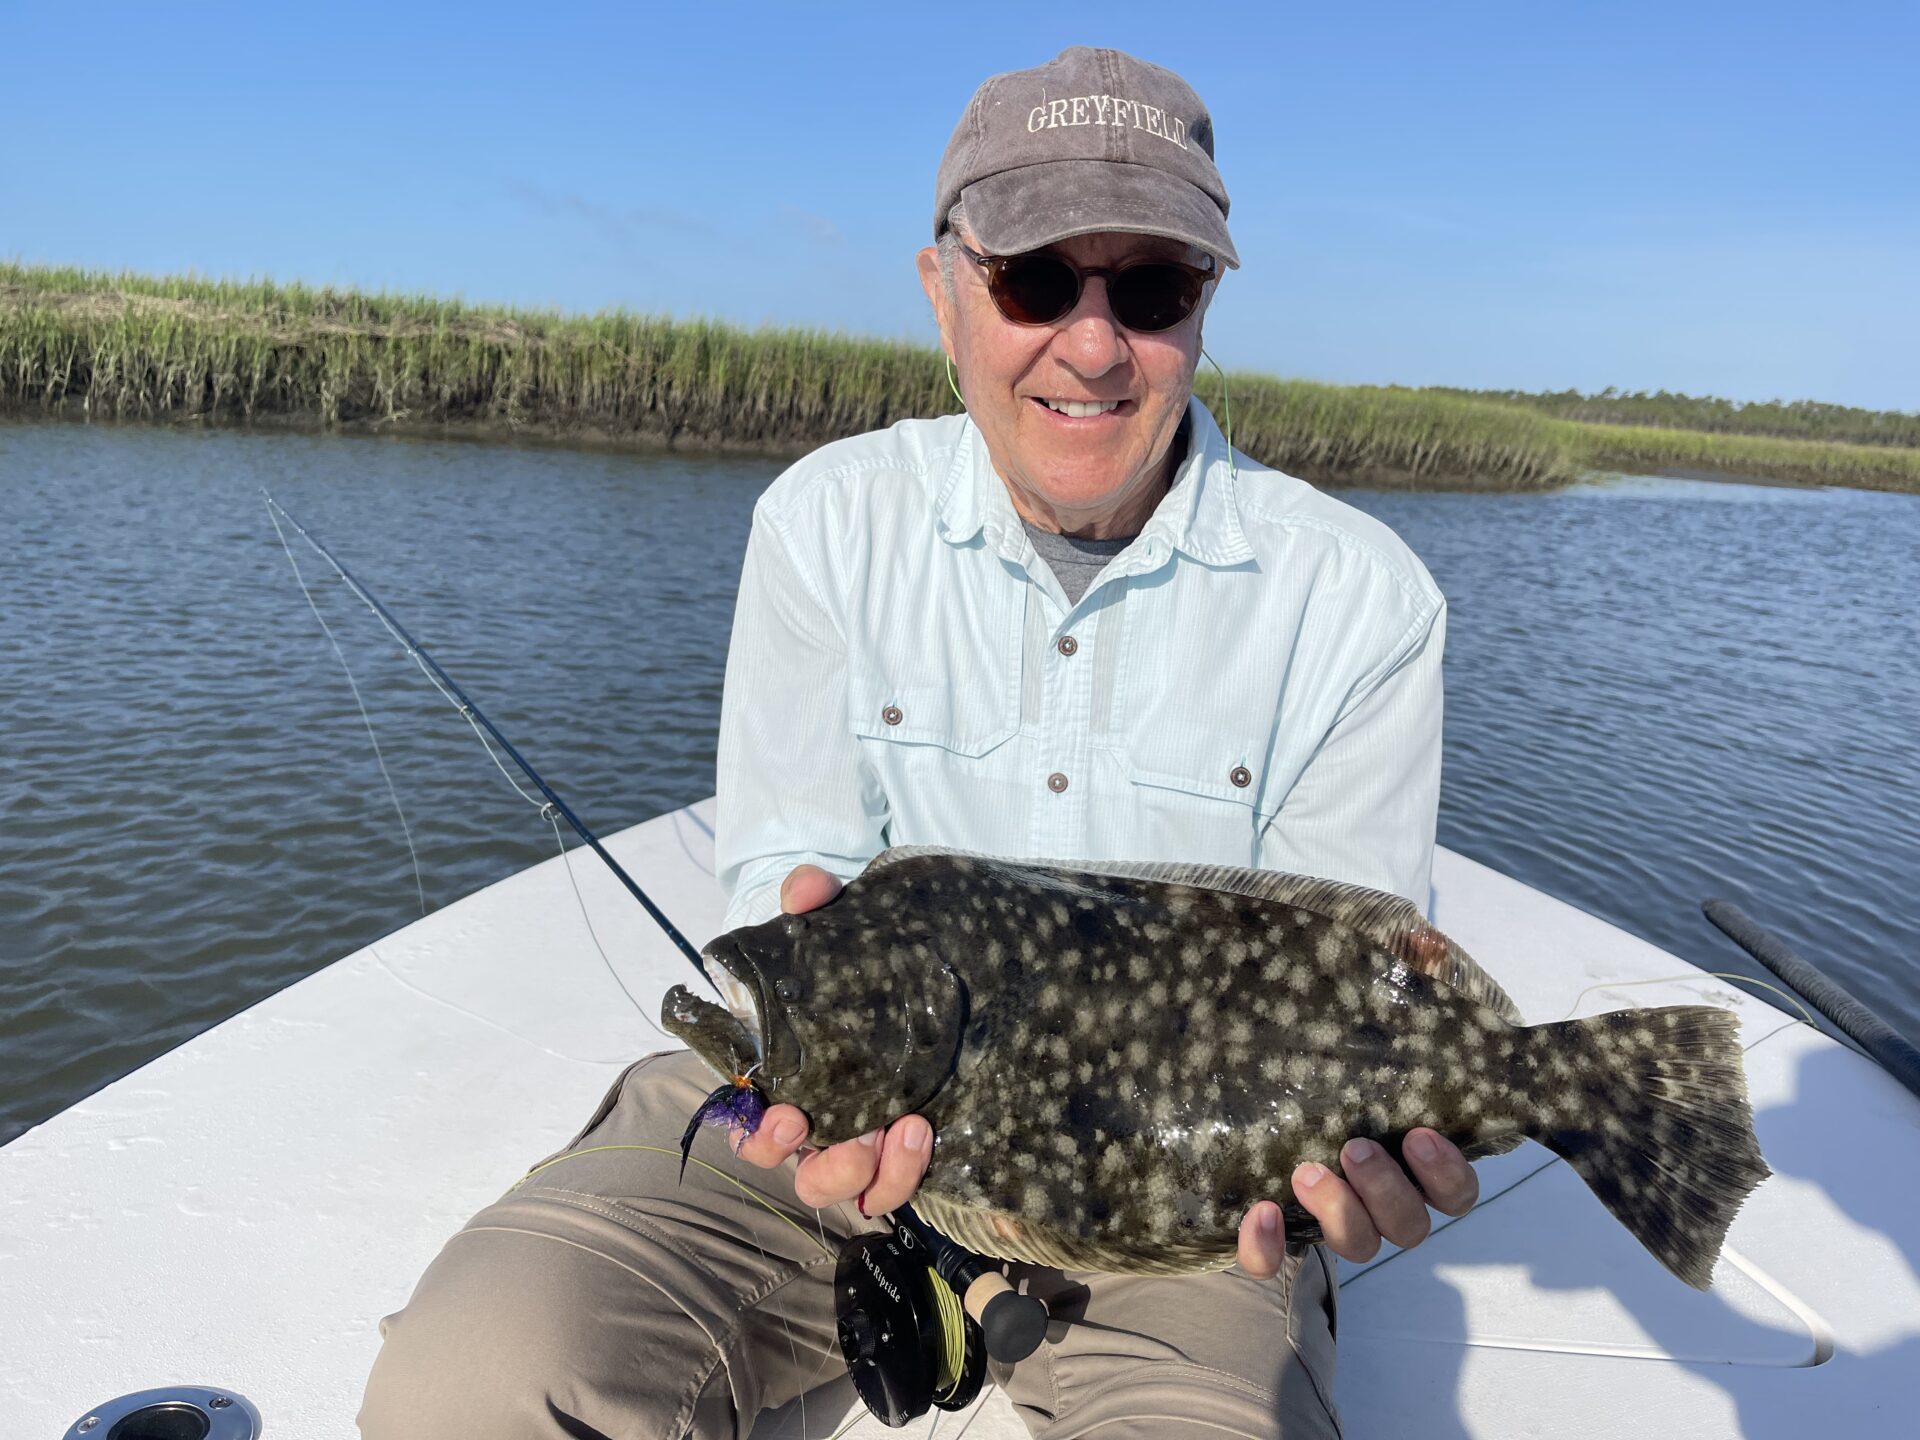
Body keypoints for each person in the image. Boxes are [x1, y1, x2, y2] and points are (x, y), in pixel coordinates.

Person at [360, 46, 1476, 1439]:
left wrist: (1366, 1152)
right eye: (1031, 279)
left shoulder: (1361, 600)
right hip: (813, 1139)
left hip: (1175, 1198)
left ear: (1204, 308)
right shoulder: (826, 526)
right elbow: (789, 889)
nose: (1090, 341)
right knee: (474, 1380)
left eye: (1151, 287)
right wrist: (811, 1077)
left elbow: (1351, 974)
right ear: (942, 291)